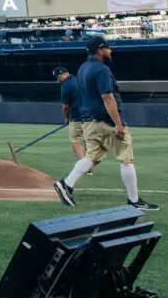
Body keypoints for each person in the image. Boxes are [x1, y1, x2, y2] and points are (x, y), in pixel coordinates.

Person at [54, 35, 158, 210]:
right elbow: (107, 97)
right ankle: (134, 201)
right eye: (108, 48)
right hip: (105, 121)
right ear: (100, 50)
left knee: (92, 157)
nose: (111, 51)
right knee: (126, 158)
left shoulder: (82, 68)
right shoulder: (101, 70)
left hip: (88, 121)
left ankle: (66, 184)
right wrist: (118, 124)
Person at [53, 66, 90, 172]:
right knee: (88, 141)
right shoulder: (81, 79)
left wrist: (66, 118)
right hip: (91, 116)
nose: (58, 80)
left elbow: (65, 106)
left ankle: (85, 166)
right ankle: (89, 164)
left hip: (77, 117)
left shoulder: (66, 85)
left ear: (61, 75)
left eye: (57, 77)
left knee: (76, 141)